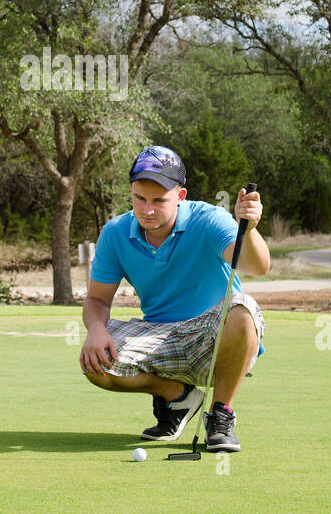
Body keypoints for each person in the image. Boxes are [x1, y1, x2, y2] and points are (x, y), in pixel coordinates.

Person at [79, 145, 270, 452]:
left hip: (215, 338)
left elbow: (257, 267)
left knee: (243, 306)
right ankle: (178, 397)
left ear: (180, 196)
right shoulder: (115, 232)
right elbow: (97, 301)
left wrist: (249, 229)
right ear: (131, 191)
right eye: (140, 199)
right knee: (95, 363)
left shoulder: (209, 219)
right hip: (159, 335)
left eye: (158, 201)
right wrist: (95, 330)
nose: (147, 209)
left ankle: (221, 414)